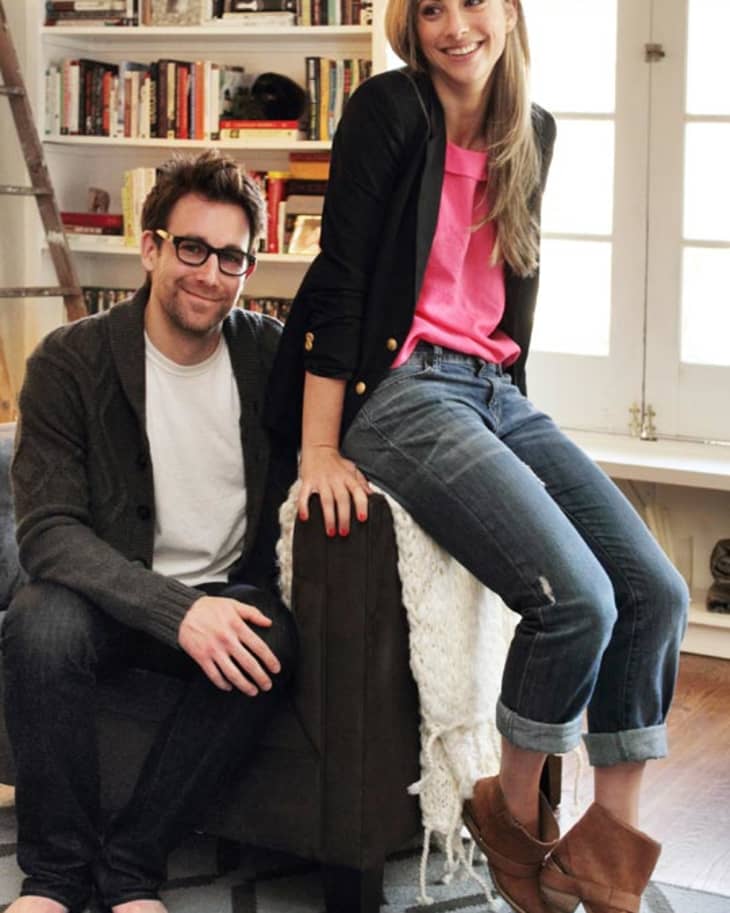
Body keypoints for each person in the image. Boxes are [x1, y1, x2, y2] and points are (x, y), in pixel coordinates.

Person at [265, 2, 689, 912]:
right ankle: (513, 818)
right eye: (429, 9)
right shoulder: (389, 110)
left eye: (471, 2)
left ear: (509, 11)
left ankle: (606, 852)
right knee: (575, 599)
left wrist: (517, 433)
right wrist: (320, 448)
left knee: (656, 590)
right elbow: (340, 279)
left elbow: (512, 288)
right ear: (408, 24)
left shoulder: (531, 130)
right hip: (401, 389)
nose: (454, 26)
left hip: (496, 389)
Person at [2, 150, 298, 913]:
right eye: (191, 248)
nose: (209, 274)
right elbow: (46, 533)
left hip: (229, 591)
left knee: (274, 638)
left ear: (249, 265)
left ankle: (131, 869)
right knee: (37, 620)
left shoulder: (271, 356)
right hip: (116, 598)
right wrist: (176, 611)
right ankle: (54, 877)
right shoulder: (69, 361)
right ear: (151, 246)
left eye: (231, 257)